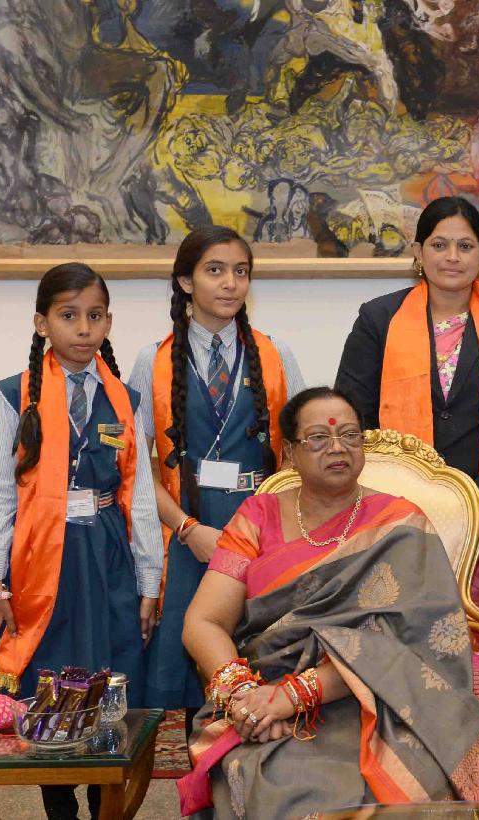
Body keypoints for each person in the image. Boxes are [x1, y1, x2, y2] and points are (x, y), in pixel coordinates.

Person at [177, 387, 479, 817]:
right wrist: (245, 696)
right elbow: (203, 621)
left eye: (349, 435)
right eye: (318, 438)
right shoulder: (256, 518)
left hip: (386, 698)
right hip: (266, 692)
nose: (337, 447)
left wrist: (298, 694)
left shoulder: (401, 523)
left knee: (408, 784)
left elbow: (416, 642)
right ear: (289, 453)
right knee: (279, 781)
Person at [334, 196, 479, 670]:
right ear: (418, 252)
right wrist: (408, 503)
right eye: (439, 245)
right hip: (393, 517)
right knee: (396, 657)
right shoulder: (378, 320)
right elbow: (352, 423)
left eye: (465, 246)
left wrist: (471, 508)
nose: (452, 257)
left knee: (478, 660)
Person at [0, 263, 164, 820]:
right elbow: (1, 494)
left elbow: (141, 495)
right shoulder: (15, 395)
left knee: (111, 677)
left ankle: (102, 800)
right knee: (50, 682)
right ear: (42, 323)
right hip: (43, 560)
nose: (83, 328)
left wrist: (150, 582)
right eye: (69, 316)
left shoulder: (127, 398)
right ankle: (59, 804)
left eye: (95, 316)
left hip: (107, 555)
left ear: (108, 322)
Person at [128, 225, 304, 715]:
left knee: (263, 660)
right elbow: (137, 470)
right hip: (188, 533)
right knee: (184, 670)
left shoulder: (276, 354)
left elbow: (300, 456)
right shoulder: (153, 360)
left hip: (262, 531)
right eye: (215, 270)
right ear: (186, 282)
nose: (230, 283)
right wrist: (187, 529)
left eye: (241, 272)